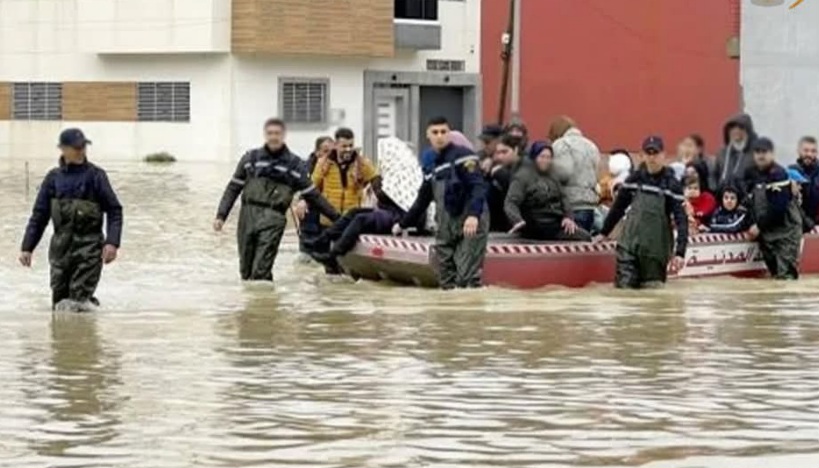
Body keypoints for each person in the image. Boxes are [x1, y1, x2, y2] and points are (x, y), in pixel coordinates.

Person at [214, 118, 340, 281]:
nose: (274, 137)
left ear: (283, 135)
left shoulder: (295, 165)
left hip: (274, 217)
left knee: (261, 269)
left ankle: (263, 299)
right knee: (245, 271)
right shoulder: (250, 159)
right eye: (270, 133)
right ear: (265, 135)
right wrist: (221, 215)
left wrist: (338, 219)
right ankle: (259, 303)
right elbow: (233, 188)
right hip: (247, 216)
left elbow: (314, 196)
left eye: (277, 133)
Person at [19, 128, 123, 311]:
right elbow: (39, 216)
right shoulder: (53, 179)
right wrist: (27, 247)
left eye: (83, 146)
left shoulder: (96, 176)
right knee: (59, 304)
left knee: (77, 303)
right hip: (60, 253)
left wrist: (112, 243)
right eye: (76, 148)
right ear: (63, 149)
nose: (81, 151)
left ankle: (84, 334)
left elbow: (115, 211)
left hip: (89, 251)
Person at [393, 116, 488, 289]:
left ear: (449, 134)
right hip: (445, 224)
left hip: (470, 221)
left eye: (443, 132)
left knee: (465, 278)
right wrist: (403, 223)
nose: (439, 136)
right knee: (445, 279)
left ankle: (472, 309)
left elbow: (478, 187)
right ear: (427, 135)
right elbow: (423, 197)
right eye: (435, 132)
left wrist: (474, 215)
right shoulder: (429, 160)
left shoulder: (464, 156)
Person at [598, 136, 688, 289]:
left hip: (655, 253)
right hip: (629, 246)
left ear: (663, 155)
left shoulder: (672, 185)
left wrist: (680, 252)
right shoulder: (634, 180)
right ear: (643, 155)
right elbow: (618, 208)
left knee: (652, 295)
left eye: (655, 153)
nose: (652, 157)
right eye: (649, 153)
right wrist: (604, 232)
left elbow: (681, 220)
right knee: (624, 291)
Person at [505, 140, 590, 241]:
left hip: (554, 223)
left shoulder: (553, 175)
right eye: (542, 157)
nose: (545, 160)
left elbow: (563, 198)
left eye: (548, 157)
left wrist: (568, 217)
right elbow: (511, 202)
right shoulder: (522, 177)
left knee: (584, 237)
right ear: (534, 157)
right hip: (533, 224)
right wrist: (517, 220)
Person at [745, 137, 803, 280]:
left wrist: (759, 226)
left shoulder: (778, 174)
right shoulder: (752, 174)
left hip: (786, 234)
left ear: (772, 154)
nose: (761, 155)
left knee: (785, 279)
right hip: (767, 234)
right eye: (757, 152)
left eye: (764, 151)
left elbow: (779, 208)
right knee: (774, 276)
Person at [309, 193, 406, 274]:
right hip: (384, 210)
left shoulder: (406, 187)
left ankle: (334, 254)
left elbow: (388, 199)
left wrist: (380, 192)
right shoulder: (393, 181)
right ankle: (323, 239)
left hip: (396, 216)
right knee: (353, 212)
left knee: (360, 219)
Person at [310, 128, 380, 227]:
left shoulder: (362, 164)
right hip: (329, 220)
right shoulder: (323, 164)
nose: (348, 149)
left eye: (351, 145)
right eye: (344, 146)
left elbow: (376, 182)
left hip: (352, 220)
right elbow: (312, 187)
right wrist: (303, 201)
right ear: (336, 145)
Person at [548, 115, 601, 232]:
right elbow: (596, 173)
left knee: (569, 246)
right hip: (589, 205)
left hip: (571, 205)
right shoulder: (591, 145)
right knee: (583, 245)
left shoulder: (561, 144)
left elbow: (563, 173)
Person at [297, 136, 333, 253]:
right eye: (325, 151)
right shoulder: (307, 167)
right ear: (317, 152)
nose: (329, 155)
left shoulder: (335, 166)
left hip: (327, 212)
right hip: (310, 212)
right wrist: (302, 200)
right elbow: (304, 186)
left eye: (332, 152)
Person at [486, 134, 525, 232]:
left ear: (515, 150)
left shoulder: (525, 167)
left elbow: (516, 188)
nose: (500, 156)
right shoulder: (497, 167)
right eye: (498, 153)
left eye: (504, 152)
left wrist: (500, 174)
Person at [714, 113, 758, 189]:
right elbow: (715, 175)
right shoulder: (722, 153)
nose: (736, 131)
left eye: (741, 128)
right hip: (724, 196)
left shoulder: (756, 153)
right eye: (732, 128)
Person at [788, 135, 819, 224]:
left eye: (813, 151)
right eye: (806, 150)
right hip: (796, 224)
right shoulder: (790, 172)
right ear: (798, 151)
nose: (809, 154)